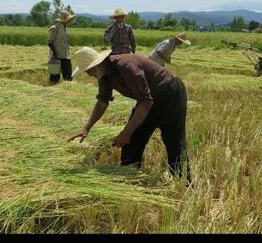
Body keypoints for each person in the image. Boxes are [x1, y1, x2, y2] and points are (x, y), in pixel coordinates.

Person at [68, 47, 191, 183]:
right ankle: (129, 177)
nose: (90, 75)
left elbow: (145, 101)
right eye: (87, 72)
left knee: (173, 141)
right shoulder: (104, 76)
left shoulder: (126, 66)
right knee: (132, 142)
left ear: (98, 63)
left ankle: (183, 184)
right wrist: (87, 127)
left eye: (90, 70)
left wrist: (126, 133)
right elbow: (103, 101)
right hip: (149, 99)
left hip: (169, 92)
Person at [47, 10, 76, 84]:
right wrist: (55, 53)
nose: (69, 21)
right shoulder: (54, 28)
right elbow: (49, 42)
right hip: (56, 57)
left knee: (68, 77)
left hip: (65, 56)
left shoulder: (65, 28)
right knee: (54, 79)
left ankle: (68, 91)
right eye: (68, 19)